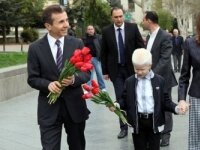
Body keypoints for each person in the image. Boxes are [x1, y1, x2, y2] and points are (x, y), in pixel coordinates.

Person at [27, 5, 90, 150]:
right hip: (49, 109)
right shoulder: (35, 48)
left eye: (66, 20)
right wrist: (48, 85)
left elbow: (86, 73)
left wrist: (74, 79)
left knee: (78, 146)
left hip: (74, 107)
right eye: (61, 22)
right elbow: (32, 78)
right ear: (48, 26)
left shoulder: (77, 43)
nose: (66, 24)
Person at [109, 48, 188, 150]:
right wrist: (116, 105)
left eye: (142, 69)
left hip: (154, 122)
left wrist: (177, 108)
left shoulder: (159, 81)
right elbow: (124, 100)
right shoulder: (130, 81)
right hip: (137, 123)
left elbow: (166, 101)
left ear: (150, 66)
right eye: (136, 69)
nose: (139, 72)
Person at [101, 7, 144, 139]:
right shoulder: (106, 31)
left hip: (132, 70)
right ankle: (123, 127)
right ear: (112, 18)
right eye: (116, 17)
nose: (119, 19)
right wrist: (105, 71)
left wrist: (142, 66)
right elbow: (104, 52)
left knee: (135, 96)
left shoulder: (132, 27)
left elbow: (140, 47)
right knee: (120, 99)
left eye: (120, 16)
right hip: (116, 71)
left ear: (123, 16)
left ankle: (138, 125)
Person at [142, 11, 177, 147]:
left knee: (166, 107)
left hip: (164, 78)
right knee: (155, 105)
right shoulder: (149, 36)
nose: (142, 22)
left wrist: (152, 74)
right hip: (151, 78)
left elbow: (165, 59)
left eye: (144, 20)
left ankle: (166, 134)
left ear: (149, 21)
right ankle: (156, 131)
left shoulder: (165, 36)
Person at [178, 12, 200, 150]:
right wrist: (181, 98)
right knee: (196, 139)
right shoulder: (190, 43)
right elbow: (184, 75)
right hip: (197, 97)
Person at [82, 25, 106, 91]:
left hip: (96, 58)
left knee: (99, 73)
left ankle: (102, 87)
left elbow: (102, 47)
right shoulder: (84, 39)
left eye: (91, 29)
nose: (90, 30)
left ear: (94, 30)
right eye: (89, 29)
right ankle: (87, 89)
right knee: (89, 75)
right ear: (87, 31)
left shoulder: (98, 37)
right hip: (88, 59)